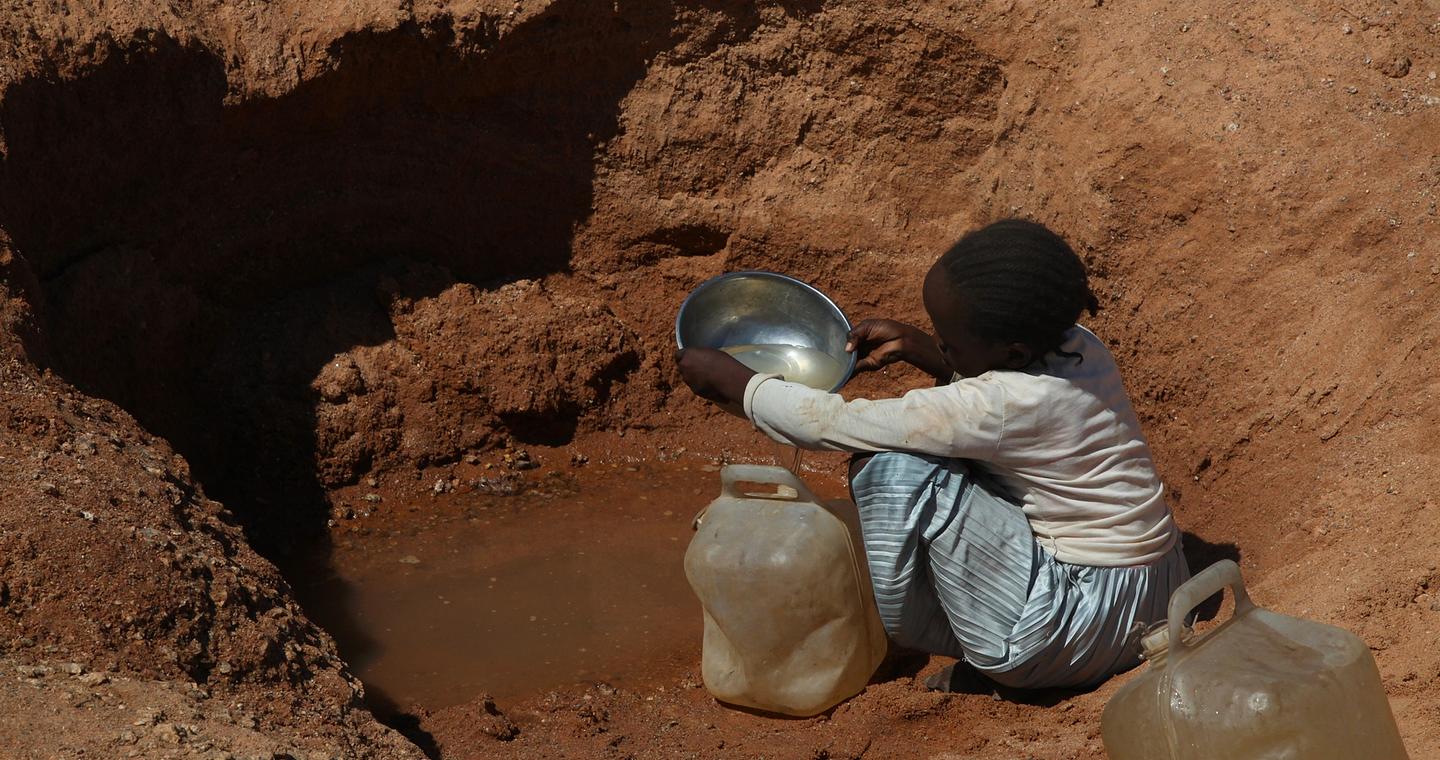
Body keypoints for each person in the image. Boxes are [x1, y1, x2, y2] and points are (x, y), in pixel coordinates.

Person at [674, 219, 1189, 691]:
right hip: (1161, 591)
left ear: (1009, 352)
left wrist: (742, 385)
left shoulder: (1000, 404)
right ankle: (1008, 635)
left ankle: (996, 655)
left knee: (894, 466)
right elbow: (1001, 422)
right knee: (955, 460)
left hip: (1076, 630)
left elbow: (839, 425)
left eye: (949, 342)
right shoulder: (1079, 345)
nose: (940, 346)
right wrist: (927, 351)